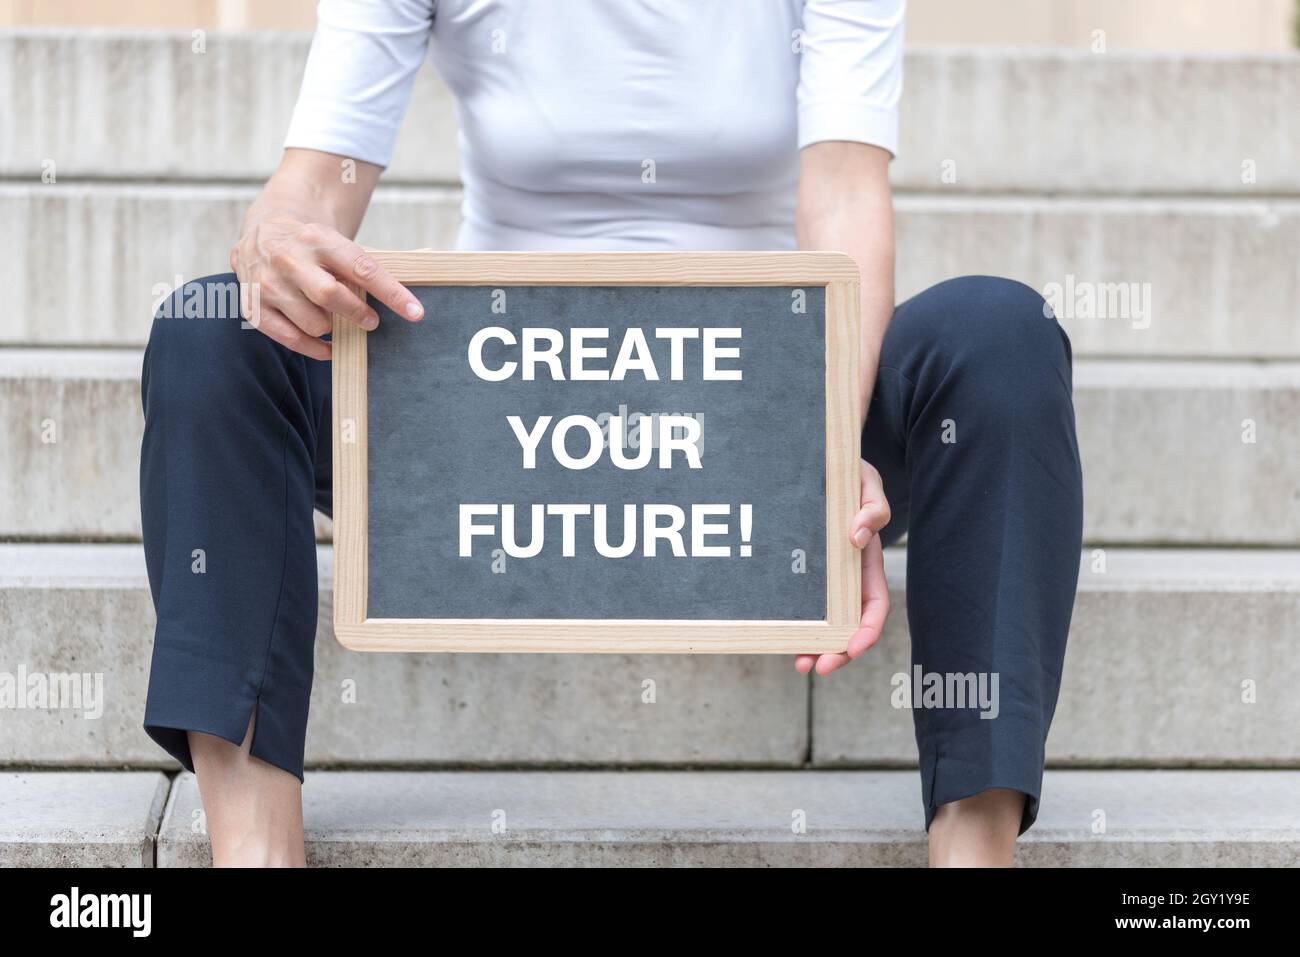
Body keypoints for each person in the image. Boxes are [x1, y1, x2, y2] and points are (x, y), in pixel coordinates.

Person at [140, 0, 1082, 867]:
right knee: (213, 329)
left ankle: (974, 844)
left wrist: (823, 448)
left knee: (1002, 334)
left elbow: (842, 198)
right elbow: (312, 192)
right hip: (495, 413)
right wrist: (272, 238)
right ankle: (257, 845)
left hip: (754, 411)